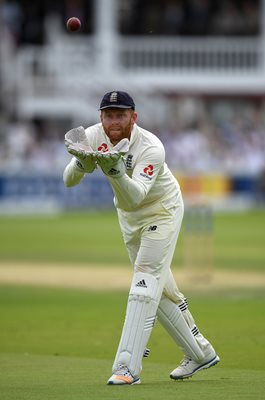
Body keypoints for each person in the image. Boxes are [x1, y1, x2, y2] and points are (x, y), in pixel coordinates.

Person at [63, 91, 220, 385]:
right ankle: (200, 352)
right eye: (108, 115)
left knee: (144, 281)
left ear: (133, 117)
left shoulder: (151, 147)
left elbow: (138, 197)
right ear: (101, 117)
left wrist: (115, 171)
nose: (114, 121)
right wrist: (80, 164)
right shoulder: (93, 135)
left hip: (161, 211)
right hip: (129, 219)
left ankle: (127, 368)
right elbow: (68, 182)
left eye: (120, 115)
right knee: (158, 289)